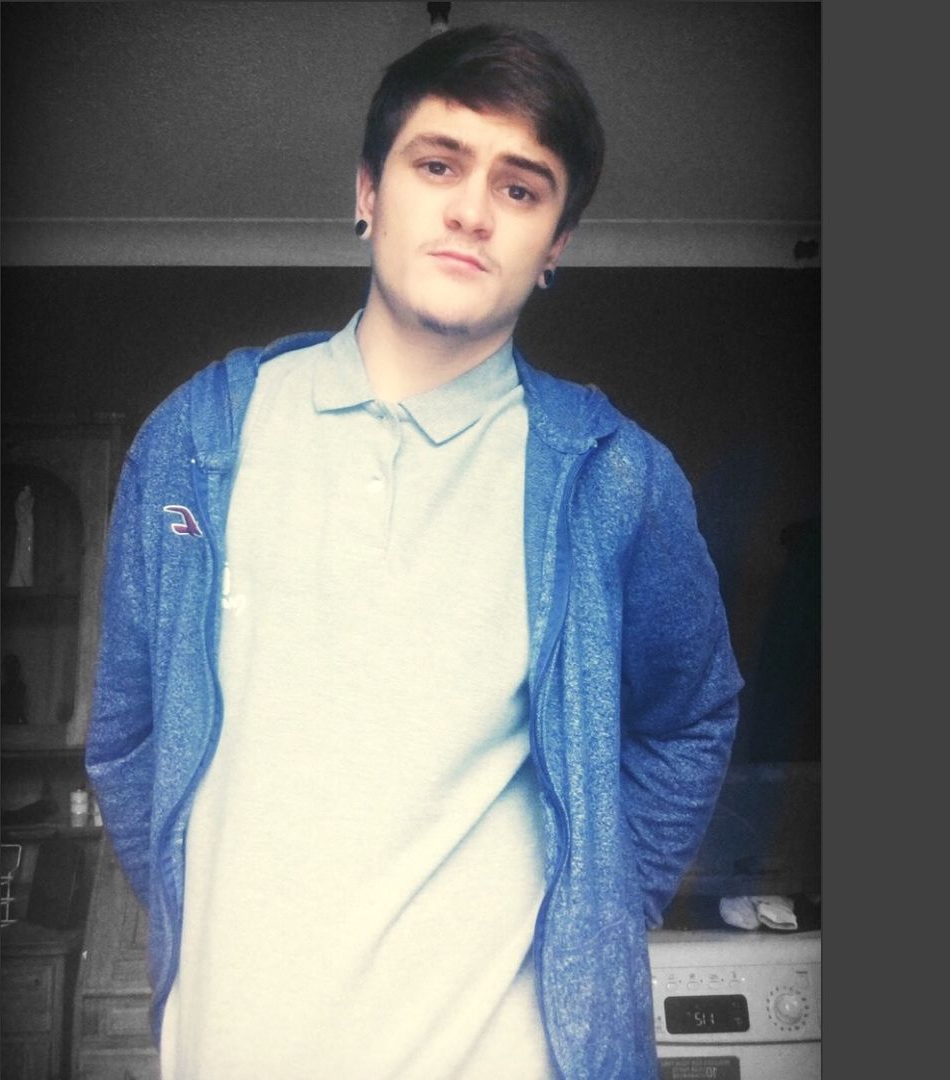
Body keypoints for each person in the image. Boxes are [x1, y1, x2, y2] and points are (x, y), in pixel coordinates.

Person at [86, 23, 743, 1080]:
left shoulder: (615, 478)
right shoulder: (196, 442)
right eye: (438, 165)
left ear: (556, 244)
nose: (473, 211)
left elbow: (691, 718)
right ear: (368, 193)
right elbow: (127, 741)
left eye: (521, 189)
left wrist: (601, 906)